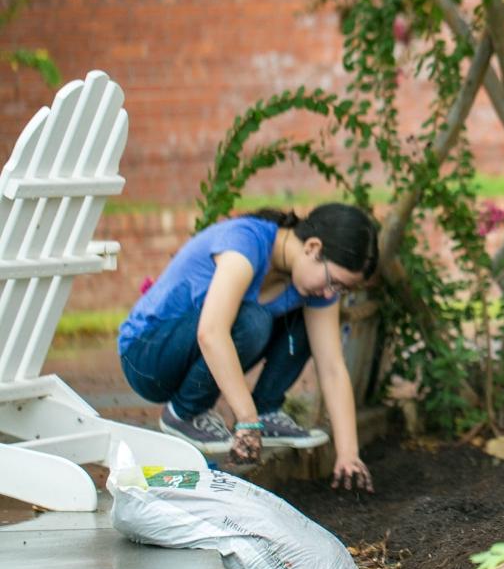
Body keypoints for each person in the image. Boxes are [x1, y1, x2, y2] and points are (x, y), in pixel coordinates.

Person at [118, 203, 379, 491]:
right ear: (313, 247)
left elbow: (331, 366)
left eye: (341, 289)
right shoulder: (246, 243)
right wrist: (246, 420)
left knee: (304, 320)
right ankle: (185, 413)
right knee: (253, 320)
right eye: (333, 282)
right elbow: (211, 333)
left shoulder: (313, 286)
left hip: (186, 351)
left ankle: (267, 411)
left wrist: (348, 454)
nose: (331, 293)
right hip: (146, 357)